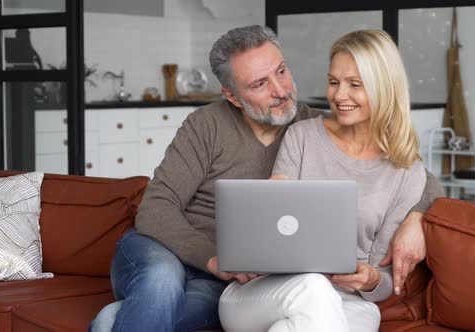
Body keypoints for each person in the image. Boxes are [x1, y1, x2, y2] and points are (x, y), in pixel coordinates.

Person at [90, 25, 442, 332]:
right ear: (232, 95)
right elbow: (155, 207)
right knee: (161, 283)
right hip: (170, 251)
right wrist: (214, 258)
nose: (281, 90)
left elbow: (405, 170)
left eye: (282, 71)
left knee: (124, 318)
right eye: (260, 83)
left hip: (232, 278)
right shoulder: (209, 125)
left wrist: (418, 214)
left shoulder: (313, 122)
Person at [218, 29, 424, 332]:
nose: (339, 95)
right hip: (264, 294)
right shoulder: (302, 136)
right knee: (312, 288)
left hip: (348, 302)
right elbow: (273, 230)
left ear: (385, 87)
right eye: (333, 82)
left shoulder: (407, 173)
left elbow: (385, 283)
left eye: (355, 84)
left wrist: (371, 279)